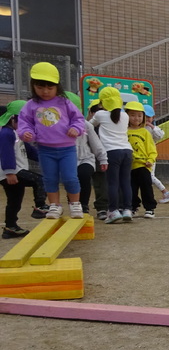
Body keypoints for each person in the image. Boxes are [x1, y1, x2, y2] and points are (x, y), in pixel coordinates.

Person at [16, 62, 85, 219]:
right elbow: (24, 123)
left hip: (67, 149)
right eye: (40, 87)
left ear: (57, 86)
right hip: (45, 149)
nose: (45, 91)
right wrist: (26, 133)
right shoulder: (31, 105)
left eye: (50, 87)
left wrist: (76, 128)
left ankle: (75, 204)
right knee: (49, 178)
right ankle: (55, 205)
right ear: (33, 86)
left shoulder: (64, 102)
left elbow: (78, 119)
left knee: (70, 177)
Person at [1, 101, 48, 237]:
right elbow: (6, 153)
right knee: (39, 180)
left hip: (15, 171)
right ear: (12, 118)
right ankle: (40, 206)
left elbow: (30, 151)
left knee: (15, 201)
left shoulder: (17, 133)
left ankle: (10, 228)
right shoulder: (6, 133)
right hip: (12, 172)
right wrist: (10, 172)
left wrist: (46, 159)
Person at [92, 87, 134, 224]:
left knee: (112, 183)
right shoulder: (125, 115)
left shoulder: (100, 114)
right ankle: (127, 209)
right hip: (127, 151)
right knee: (125, 182)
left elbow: (89, 126)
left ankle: (113, 211)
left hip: (111, 152)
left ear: (102, 103)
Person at [64, 92, 108, 215]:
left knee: (84, 176)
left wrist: (103, 159)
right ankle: (74, 203)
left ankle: (83, 205)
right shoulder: (56, 127)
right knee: (71, 180)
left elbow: (96, 143)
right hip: (67, 160)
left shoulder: (85, 125)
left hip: (85, 158)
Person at [126, 101, 159, 218]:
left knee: (146, 188)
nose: (136, 118)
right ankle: (133, 207)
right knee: (131, 189)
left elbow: (151, 148)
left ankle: (150, 208)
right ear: (126, 116)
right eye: (133, 115)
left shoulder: (145, 132)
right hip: (129, 166)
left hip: (143, 165)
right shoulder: (124, 131)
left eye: (140, 116)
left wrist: (151, 159)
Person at [143, 104, 169, 204]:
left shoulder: (153, 129)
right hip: (141, 155)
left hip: (150, 155)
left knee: (150, 176)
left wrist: (151, 125)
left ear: (153, 118)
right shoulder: (138, 128)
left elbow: (160, 135)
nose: (147, 119)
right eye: (145, 116)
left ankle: (166, 192)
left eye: (149, 117)